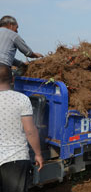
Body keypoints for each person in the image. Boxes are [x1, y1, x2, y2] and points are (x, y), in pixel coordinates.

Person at [0, 64, 43, 192]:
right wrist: (38, 154)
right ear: (12, 79)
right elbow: (30, 131)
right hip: (15, 159)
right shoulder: (21, 100)